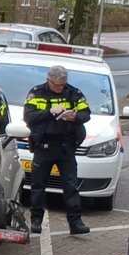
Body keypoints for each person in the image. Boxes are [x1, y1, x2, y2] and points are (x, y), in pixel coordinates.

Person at [23, 64, 93, 235]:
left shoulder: (73, 93)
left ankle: (75, 223)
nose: (61, 87)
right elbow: (29, 117)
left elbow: (86, 114)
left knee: (71, 186)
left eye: (63, 84)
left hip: (66, 146)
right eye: (58, 84)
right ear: (49, 80)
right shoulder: (37, 93)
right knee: (38, 186)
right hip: (44, 146)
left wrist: (75, 116)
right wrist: (50, 112)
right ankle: (36, 221)